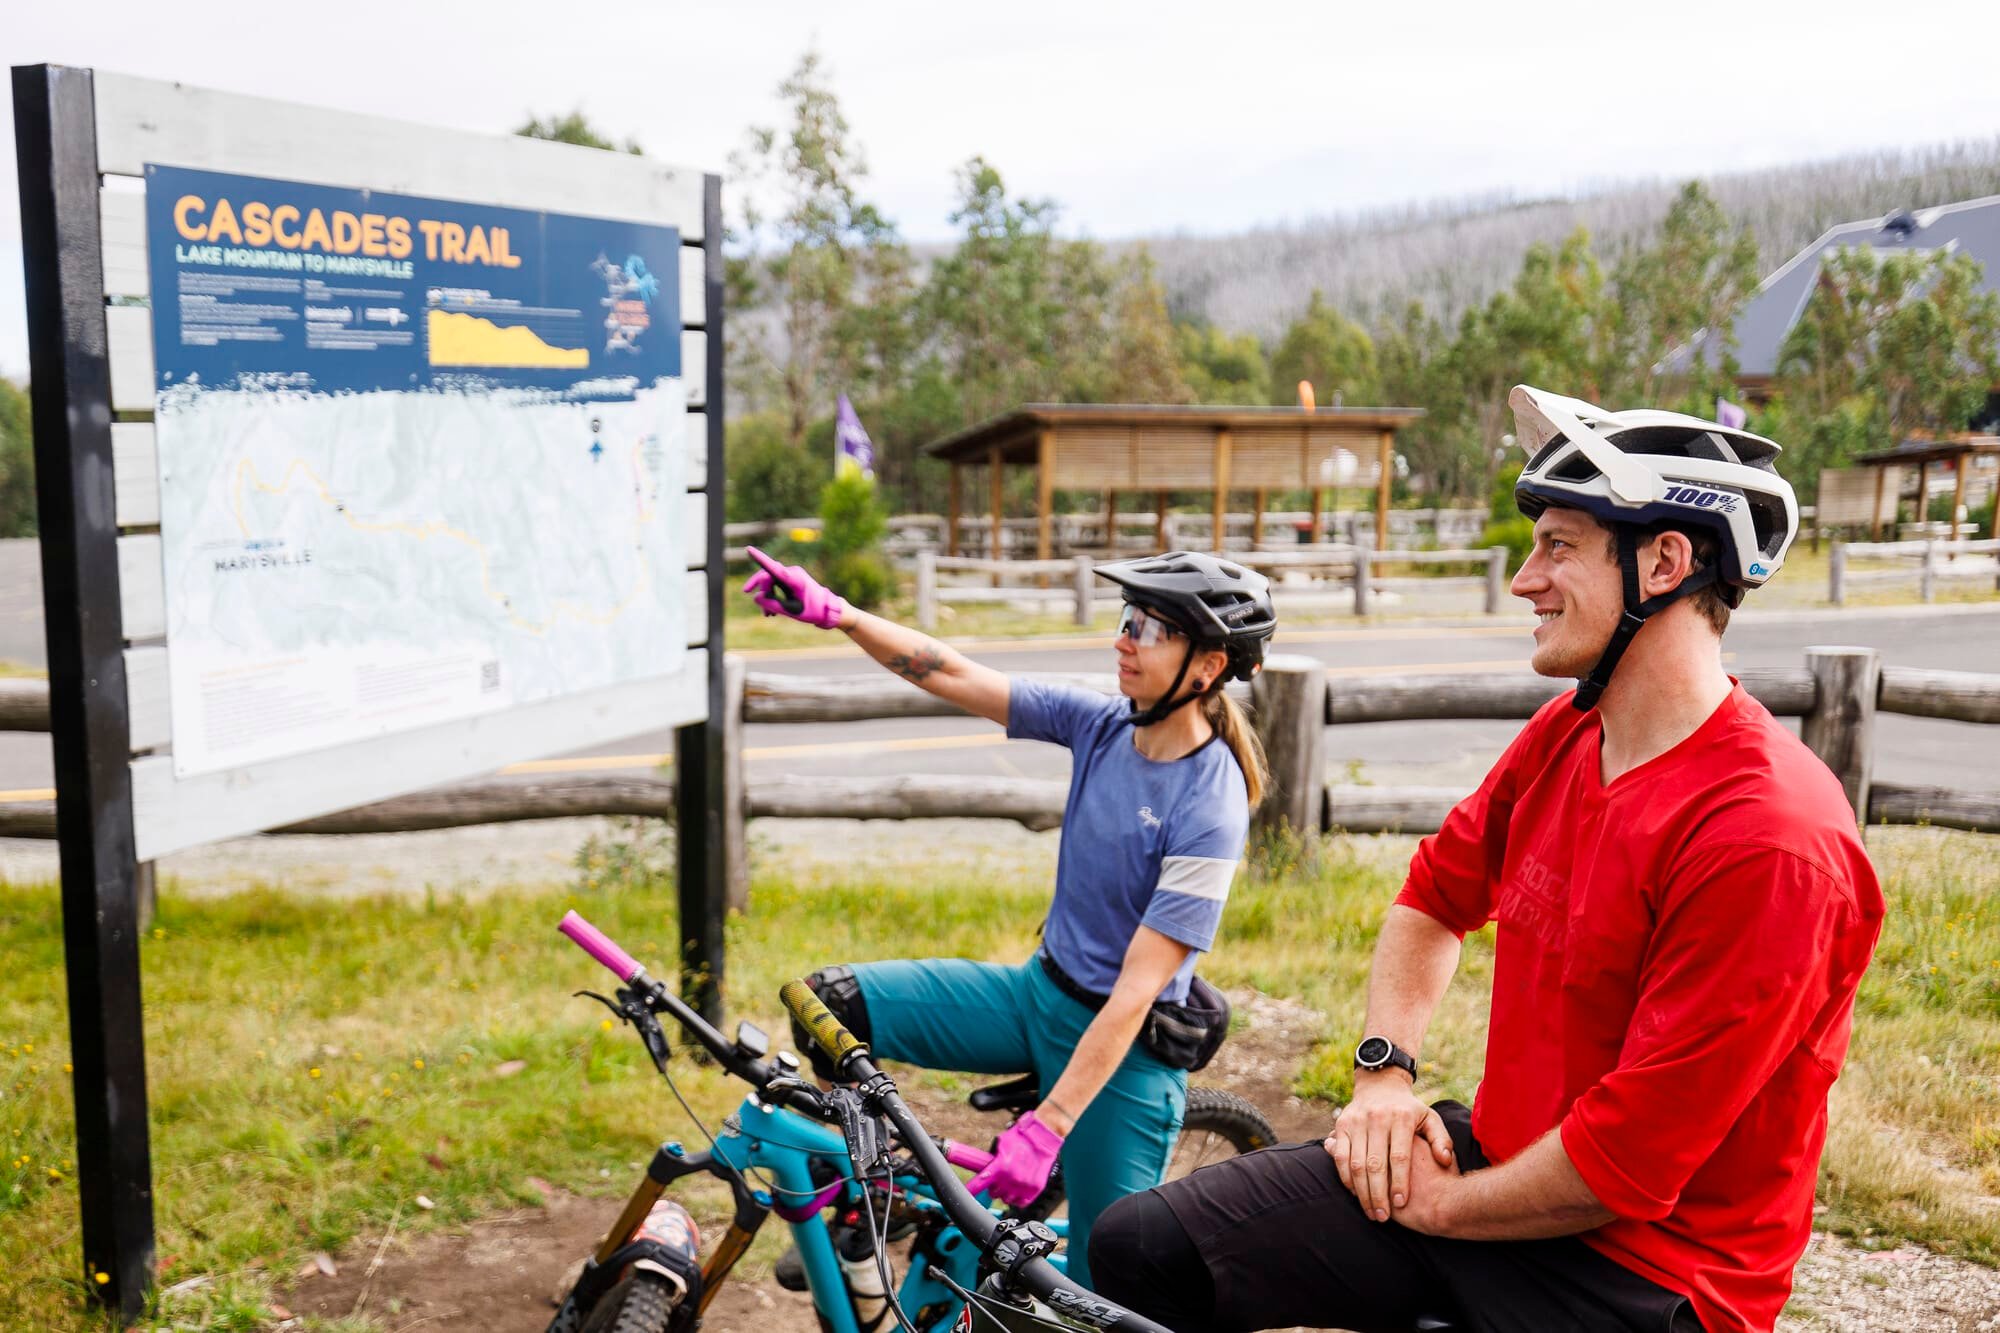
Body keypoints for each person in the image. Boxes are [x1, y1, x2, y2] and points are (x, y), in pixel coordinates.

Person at [1089, 387, 1885, 1333]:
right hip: (1504, 1165)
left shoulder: (1771, 839)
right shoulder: (1567, 732)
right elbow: (1431, 900)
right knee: (1140, 1246)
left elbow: (1622, 1165)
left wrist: (1431, 1207)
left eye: (1559, 546)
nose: (1525, 580)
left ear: (1665, 562)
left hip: (1646, 1274)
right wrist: (1384, 1075)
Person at [741, 545, 1277, 1289]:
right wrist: (839, 614)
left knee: (1100, 1286)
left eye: (1151, 628)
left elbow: (1135, 992)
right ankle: (870, 1212)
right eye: (1128, 618)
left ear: (1208, 667)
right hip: (1036, 996)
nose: (1124, 638)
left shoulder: (1210, 802)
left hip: (1123, 1057)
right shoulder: (1103, 724)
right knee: (832, 1004)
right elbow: (956, 673)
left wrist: (1048, 1124)